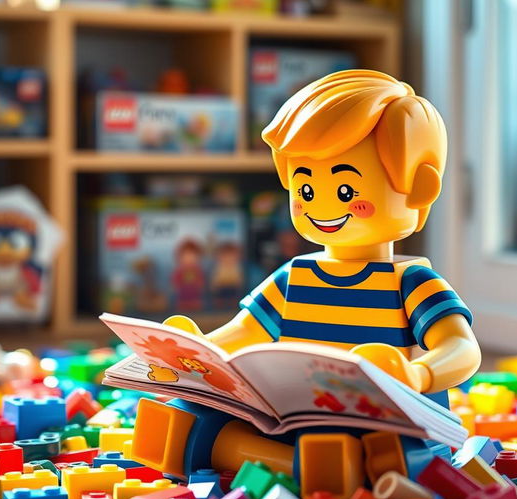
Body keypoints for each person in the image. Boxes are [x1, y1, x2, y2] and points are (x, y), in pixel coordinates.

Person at [167, 70, 480, 396]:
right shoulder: (294, 278)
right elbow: (245, 331)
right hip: (298, 406)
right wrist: (197, 349)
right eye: (305, 190)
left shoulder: (410, 283)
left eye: (346, 191)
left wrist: (418, 376)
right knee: (195, 416)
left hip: (377, 415)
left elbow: (461, 348)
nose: (321, 207)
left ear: (418, 188)